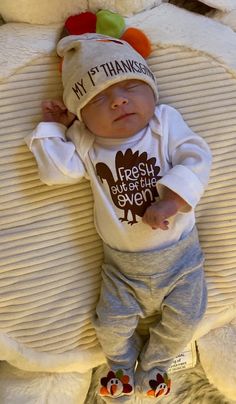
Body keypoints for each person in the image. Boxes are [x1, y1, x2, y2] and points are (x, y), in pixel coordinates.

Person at [25, 33, 212, 402]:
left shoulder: (163, 122)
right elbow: (55, 173)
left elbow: (196, 156)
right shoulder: (84, 138)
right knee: (110, 324)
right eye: (97, 98)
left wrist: (172, 200)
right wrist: (52, 129)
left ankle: (156, 365)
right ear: (80, 113)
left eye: (130, 86)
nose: (118, 100)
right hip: (122, 269)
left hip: (182, 261)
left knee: (186, 320)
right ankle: (121, 368)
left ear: (152, 91)